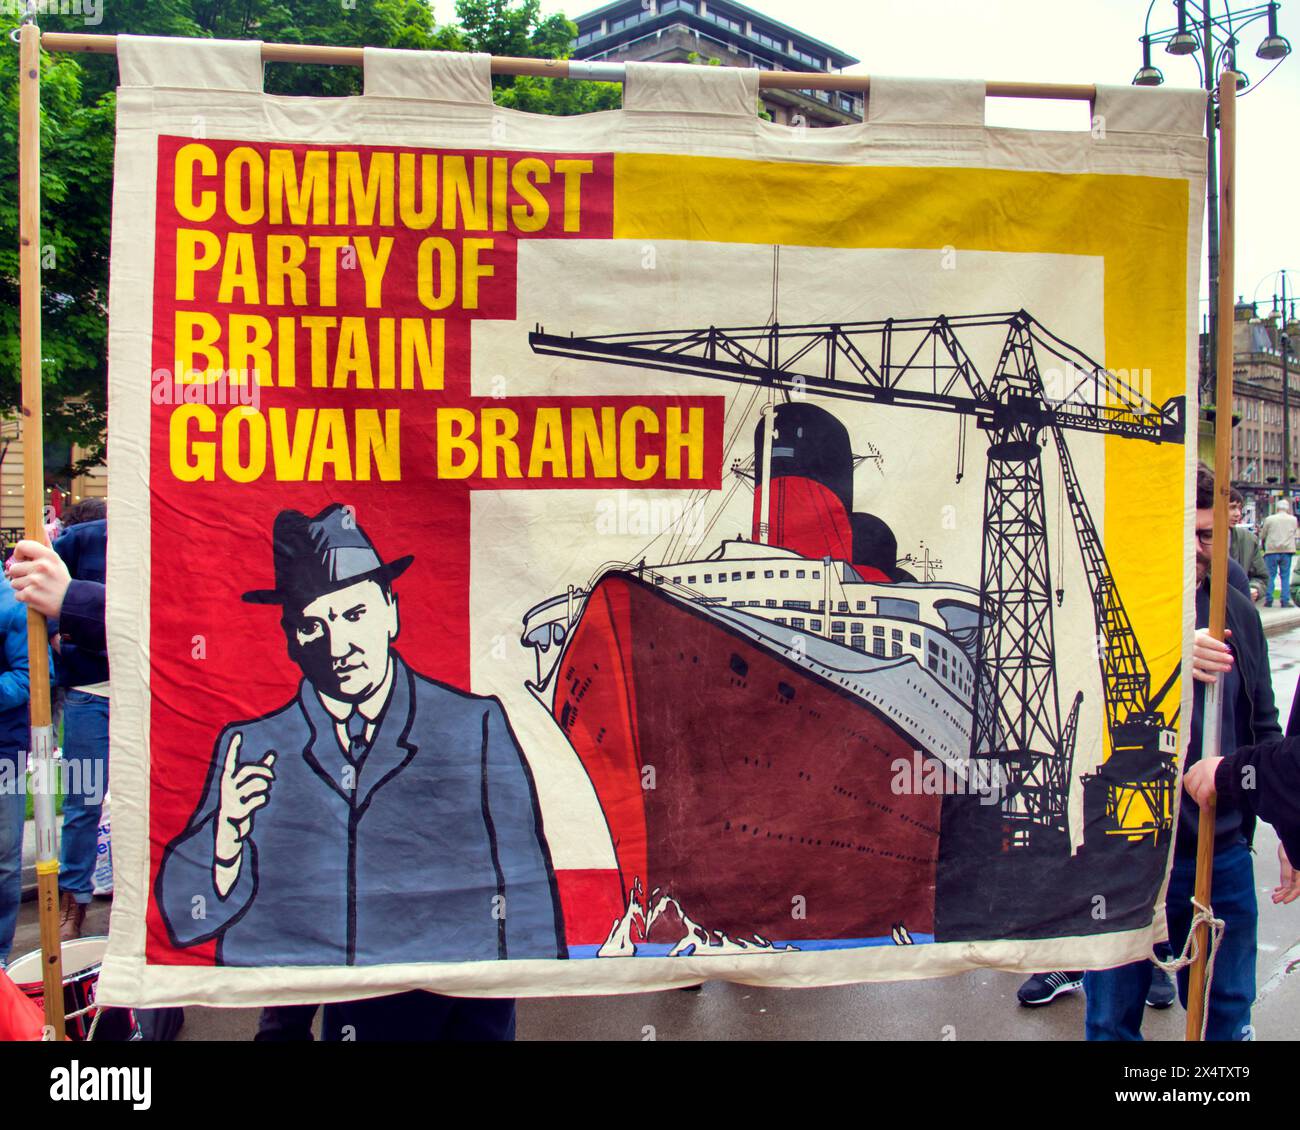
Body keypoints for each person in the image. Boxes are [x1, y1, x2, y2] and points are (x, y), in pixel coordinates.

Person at [154, 503, 564, 967]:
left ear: (391, 613)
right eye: (313, 626)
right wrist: (225, 837)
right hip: (305, 996)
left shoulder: (474, 724)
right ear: (290, 639)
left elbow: (526, 881)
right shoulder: (251, 746)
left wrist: (533, 976)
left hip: (445, 995)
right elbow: (184, 922)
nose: (338, 646)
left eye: (354, 615)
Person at [1083, 467, 1281, 1041]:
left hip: (1219, 851)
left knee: (1227, 1010)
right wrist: (1170, 648)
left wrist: (1288, 827)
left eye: (1210, 534)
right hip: (1127, 855)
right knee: (1111, 1020)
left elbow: (1263, 726)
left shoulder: (1235, 609)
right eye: (1186, 534)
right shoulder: (1113, 606)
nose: (1199, 550)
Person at [49, 512, 108, 940]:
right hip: (89, 689)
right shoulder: (84, 539)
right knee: (82, 800)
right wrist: (54, 629)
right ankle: (72, 902)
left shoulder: (162, 534)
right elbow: (35, 570)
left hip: (146, 687)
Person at [0, 572, 33, 968]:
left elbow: (32, 677)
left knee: (4, 860)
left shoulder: (11, 603)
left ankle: (1, 960)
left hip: (4, 751)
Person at [1228, 490, 1267, 603]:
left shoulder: (1248, 539)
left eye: (1239, 508)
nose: (1238, 514)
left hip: (1239, 611)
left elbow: (1261, 577)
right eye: (1232, 507)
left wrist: (1254, 589)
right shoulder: (1197, 539)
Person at [1259, 497, 1298, 608]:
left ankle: (1269, 599)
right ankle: (1285, 600)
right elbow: (1294, 532)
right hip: (1287, 550)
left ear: (1277, 508)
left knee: (1270, 575)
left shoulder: (1270, 519)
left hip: (1272, 550)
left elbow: (1263, 534)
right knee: (1285, 576)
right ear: (1287, 508)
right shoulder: (1293, 519)